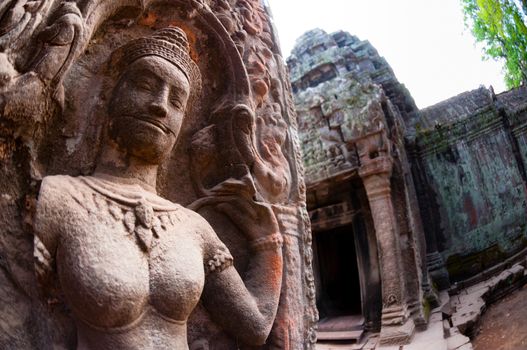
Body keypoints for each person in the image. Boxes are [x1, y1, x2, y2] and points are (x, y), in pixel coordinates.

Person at [33, 27, 283, 349]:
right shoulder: (59, 197)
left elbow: (255, 326)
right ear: (111, 95)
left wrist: (268, 241)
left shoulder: (194, 227)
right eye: (145, 85)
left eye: (177, 100)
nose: (160, 106)